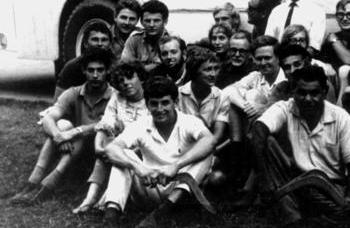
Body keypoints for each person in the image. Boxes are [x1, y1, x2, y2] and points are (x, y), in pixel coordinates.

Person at [251, 65, 350, 227]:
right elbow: (258, 129)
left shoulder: (340, 116)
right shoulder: (285, 108)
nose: (308, 99)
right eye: (302, 92)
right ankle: (293, 218)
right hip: (296, 182)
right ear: (293, 92)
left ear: (324, 92)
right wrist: (264, 180)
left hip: (330, 186)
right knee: (266, 141)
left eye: (314, 93)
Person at [102, 76, 216, 227]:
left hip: (182, 191)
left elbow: (210, 140)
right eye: (154, 104)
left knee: (206, 153)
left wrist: (176, 165)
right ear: (147, 105)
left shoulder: (189, 121)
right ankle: (111, 217)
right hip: (150, 186)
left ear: (175, 103)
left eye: (165, 103)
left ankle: (163, 211)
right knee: (125, 155)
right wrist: (139, 168)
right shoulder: (141, 125)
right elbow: (111, 148)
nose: (160, 109)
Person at [10, 48, 114, 205]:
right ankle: (34, 180)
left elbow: (107, 125)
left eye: (100, 70)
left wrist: (74, 132)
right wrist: (59, 136)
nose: (95, 75)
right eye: (91, 70)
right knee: (62, 124)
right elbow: (48, 118)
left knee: (77, 133)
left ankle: (49, 184)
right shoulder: (74, 92)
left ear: (107, 72)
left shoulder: (114, 96)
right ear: (84, 71)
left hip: (100, 150)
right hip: (73, 148)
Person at [73, 61, 150, 214]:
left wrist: (115, 149)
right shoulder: (117, 98)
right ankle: (90, 198)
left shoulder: (151, 101)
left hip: (143, 155)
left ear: (141, 78)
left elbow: (149, 138)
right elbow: (105, 124)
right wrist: (98, 147)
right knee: (108, 146)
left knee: (116, 151)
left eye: (130, 78)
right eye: (121, 80)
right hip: (119, 147)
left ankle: (104, 200)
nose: (126, 83)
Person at [54, 22, 112, 100]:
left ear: (110, 44)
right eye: (95, 39)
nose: (100, 44)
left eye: (104, 40)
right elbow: (57, 104)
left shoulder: (117, 67)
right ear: (85, 43)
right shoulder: (72, 67)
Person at [121, 0, 171, 72]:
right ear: (141, 22)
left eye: (156, 21)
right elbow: (124, 66)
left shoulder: (172, 40)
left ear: (165, 21)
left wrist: (139, 67)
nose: (151, 25)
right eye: (147, 21)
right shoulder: (134, 39)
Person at [320, 0, 350, 70]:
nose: (344, 18)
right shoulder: (332, 37)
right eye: (340, 14)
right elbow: (321, 62)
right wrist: (327, 66)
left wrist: (335, 41)